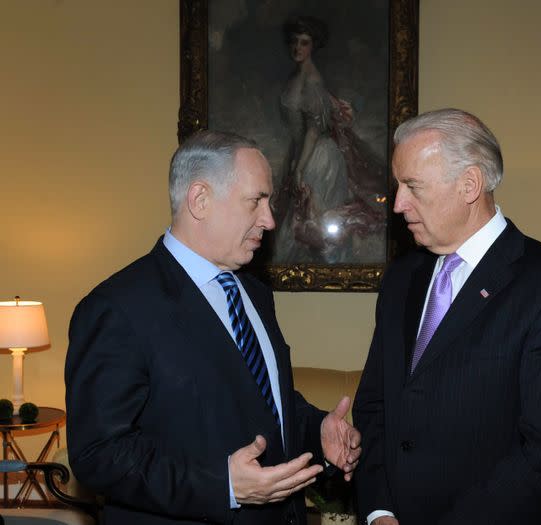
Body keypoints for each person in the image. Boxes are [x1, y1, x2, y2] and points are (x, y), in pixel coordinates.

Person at [65, 131, 361, 525]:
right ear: (200, 199)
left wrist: (316, 430)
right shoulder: (117, 308)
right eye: (256, 200)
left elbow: (261, 402)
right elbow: (98, 453)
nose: (270, 220)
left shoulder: (254, 293)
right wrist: (221, 485)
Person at [352, 108, 541, 525]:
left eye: (412, 186)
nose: (397, 204)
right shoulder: (402, 278)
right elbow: (376, 407)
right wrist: (380, 509)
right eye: (398, 186)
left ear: (469, 184)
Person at [273, 15, 386, 265]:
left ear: (313, 46)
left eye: (304, 43)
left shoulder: (313, 81)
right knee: (298, 217)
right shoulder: (296, 78)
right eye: (294, 42)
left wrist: (300, 169)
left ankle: (325, 267)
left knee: (311, 218)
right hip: (302, 151)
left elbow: (314, 131)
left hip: (319, 156)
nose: (297, 48)